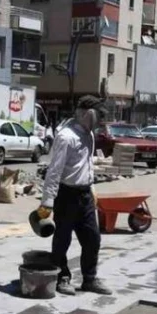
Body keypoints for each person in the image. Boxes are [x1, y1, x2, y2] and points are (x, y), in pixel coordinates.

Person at [36, 95, 111, 296]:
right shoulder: (66, 137)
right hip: (66, 195)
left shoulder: (90, 135)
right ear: (87, 114)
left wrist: (92, 189)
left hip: (85, 195)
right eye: (99, 116)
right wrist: (47, 202)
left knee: (92, 239)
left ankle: (90, 279)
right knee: (62, 239)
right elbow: (54, 170)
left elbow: (88, 165)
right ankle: (62, 277)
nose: (101, 121)